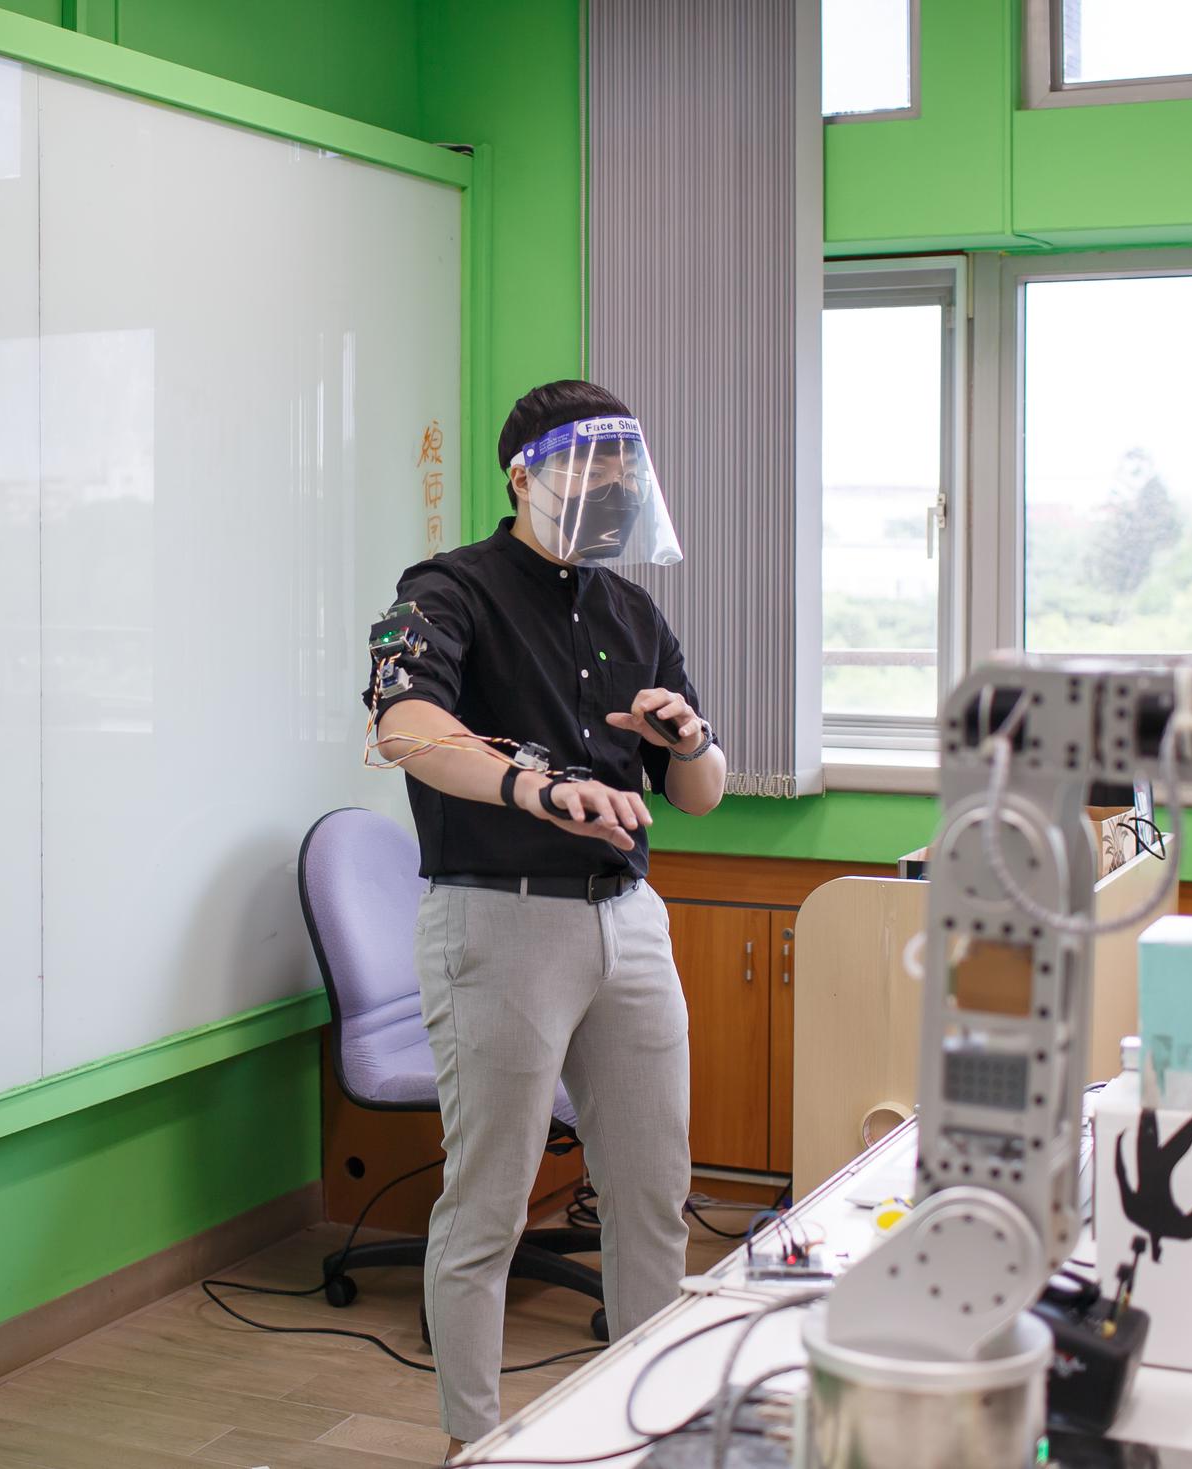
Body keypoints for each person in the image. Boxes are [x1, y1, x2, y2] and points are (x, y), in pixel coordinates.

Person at [363, 379, 726, 1455]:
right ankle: (474, 1442)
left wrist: (688, 738)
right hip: (498, 922)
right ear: (524, 476)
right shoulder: (448, 588)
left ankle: (643, 1430)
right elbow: (405, 726)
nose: (609, 492)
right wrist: (533, 785)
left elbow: (700, 795)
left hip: (629, 919)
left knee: (652, 1193)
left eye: (623, 476)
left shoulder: (633, 611)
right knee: (488, 1204)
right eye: (588, 471)